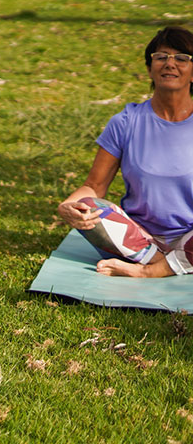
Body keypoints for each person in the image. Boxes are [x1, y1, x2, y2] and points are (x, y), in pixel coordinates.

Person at [57, 26, 193, 277]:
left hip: (191, 241)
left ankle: (149, 272)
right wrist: (69, 204)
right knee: (88, 205)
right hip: (139, 242)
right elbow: (94, 187)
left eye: (182, 58)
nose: (170, 64)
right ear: (150, 69)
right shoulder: (126, 121)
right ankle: (165, 264)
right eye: (161, 57)